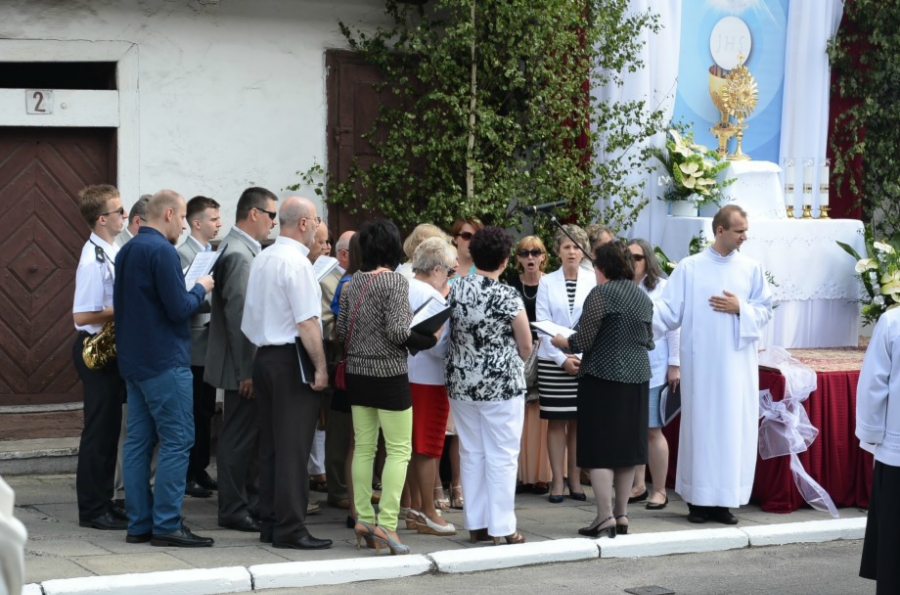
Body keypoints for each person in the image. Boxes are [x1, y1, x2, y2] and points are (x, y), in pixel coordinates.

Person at [653, 204, 773, 524]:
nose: (745, 236)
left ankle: (724, 502)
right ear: (720, 230)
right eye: (739, 231)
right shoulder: (690, 268)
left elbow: (765, 310)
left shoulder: (751, 268)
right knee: (702, 429)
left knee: (731, 430)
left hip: (736, 367)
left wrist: (740, 308)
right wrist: (639, 322)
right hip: (701, 366)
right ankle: (697, 501)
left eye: (746, 230)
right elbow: (667, 312)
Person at [114, 189, 215, 547]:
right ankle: (168, 524)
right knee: (178, 439)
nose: (185, 225)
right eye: (184, 217)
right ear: (169, 214)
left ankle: (139, 524)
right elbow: (178, 308)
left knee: (138, 443)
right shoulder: (162, 251)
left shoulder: (128, 249)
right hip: (164, 360)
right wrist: (200, 288)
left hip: (135, 361)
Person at [337, 219, 439, 555]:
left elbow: (341, 330)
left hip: (357, 374)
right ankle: (388, 525)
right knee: (399, 450)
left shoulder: (353, 281)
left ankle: (364, 520)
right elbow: (398, 332)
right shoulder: (394, 281)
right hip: (388, 374)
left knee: (364, 448)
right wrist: (429, 337)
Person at [241, 197, 333, 550]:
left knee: (271, 447)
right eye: (317, 220)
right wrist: (320, 367)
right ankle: (291, 527)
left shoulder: (263, 257)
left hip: (264, 356)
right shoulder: (297, 263)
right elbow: (307, 322)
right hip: (292, 358)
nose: (318, 226)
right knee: (293, 448)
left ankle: (271, 522)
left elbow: (250, 317)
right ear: (304, 223)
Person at [551, 241, 653, 538]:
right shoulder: (642, 296)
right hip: (637, 379)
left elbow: (582, 340)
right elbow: (649, 340)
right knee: (626, 451)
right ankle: (621, 515)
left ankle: (604, 516)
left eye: (595, 267)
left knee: (600, 450)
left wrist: (562, 342)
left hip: (602, 378)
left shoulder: (601, 294)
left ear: (603, 267)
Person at [446, 226, 532, 546]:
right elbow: (525, 345)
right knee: (503, 454)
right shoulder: (507, 295)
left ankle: (477, 524)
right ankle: (502, 526)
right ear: (505, 260)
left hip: (462, 382)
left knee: (472, 451)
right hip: (501, 384)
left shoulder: (454, 288)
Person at [205, 187, 278, 533]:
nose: (273, 223)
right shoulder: (238, 254)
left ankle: (247, 502)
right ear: (254, 214)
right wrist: (246, 371)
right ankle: (233, 508)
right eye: (271, 215)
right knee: (237, 438)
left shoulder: (241, 249)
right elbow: (240, 318)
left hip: (241, 363)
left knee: (247, 436)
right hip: (241, 366)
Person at [72, 184, 128, 531]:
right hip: (95, 350)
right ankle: (92, 510)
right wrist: (125, 308)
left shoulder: (111, 248)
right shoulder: (92, 261)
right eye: (119, 211)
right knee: (99, 433)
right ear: (102, 219)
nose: (125, 215)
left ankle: (105, 502)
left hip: (108, 350)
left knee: (109, 433)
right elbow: (82, 315)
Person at [535, 225, 595, 503]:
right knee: (557, 422)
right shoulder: (547, 282)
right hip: (552, 362)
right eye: (567, 246)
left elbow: (595, 322)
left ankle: (575, 480)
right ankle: (557, 481)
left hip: (585, 360)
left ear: (584, 251)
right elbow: (542, 325)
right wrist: (562, 359)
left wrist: (579, 356)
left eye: (576, 246)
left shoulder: (593, 280)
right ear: (558, 251)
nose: (572, 251)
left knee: (580, 423)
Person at [405, 237, 457, 536]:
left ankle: (414, 507)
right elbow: (439, 347)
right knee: (427, 446)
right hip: (429, 378)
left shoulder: (403, 285)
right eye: (449, 271)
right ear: (437, 269)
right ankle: (427, 510)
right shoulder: (434, 298)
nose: (449, 277)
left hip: (405, 375)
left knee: (411, 445)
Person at [627, 239, 680, 510]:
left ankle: (659, 490)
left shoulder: (662, 287)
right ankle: (637, 485)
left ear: (648, 260)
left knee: (652, 430)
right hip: (626, 367)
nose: (632, 262)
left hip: (655, 367)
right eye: (628, 257)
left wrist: (675, 364)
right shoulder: (622, 285)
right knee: (632, 429)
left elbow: (673, 327)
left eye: (637, 257)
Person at [177, 196, 222, 499]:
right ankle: (189, 472)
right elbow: (183, 297)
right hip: (193, 342)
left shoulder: (210, 253)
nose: (219, 224)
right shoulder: (183, 254)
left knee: (206, 409)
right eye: (213, 219)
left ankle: (201, 467)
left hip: (209, 343)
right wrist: (216, 298)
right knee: (193, 410)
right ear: (196, 223)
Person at [442, 217, 484, 510]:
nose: (471, 241)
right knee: (441, 424)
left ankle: (458, 484)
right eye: (467, 235)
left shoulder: (483, 270)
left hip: (473, 358)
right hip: (444, 352)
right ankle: (437, 484)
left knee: (463, 427)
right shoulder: (446, 269)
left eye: (476, 236)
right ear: (455, 238)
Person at [112, 193, 151, 504]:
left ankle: (132, 488)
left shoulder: (131, 248)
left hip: (134, 348)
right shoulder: (125, 250)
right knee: (127, 427)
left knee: (135, 428)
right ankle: (123, 489)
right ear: (139, 222)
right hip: (130, 347)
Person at [857, 306, 900, 594]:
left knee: (894, 538)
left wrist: (871, 434)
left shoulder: (893, 321)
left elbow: (874, 384)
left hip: (896, 453)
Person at [505, 235, 551, 495]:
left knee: (543, 414)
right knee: (519, 413)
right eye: (524, 253)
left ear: (543, 256)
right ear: (518, 258)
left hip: (546, 351)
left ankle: (542, 475)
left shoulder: (551, 283)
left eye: (535, 252)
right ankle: (522, 476)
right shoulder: (511, 284)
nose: (530, 257)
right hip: (518, 353)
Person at [323, 230, 356, 513]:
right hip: (339, 365)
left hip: (353, 365)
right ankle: (338, 488)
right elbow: (328, 327)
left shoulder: (354, 278)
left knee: (356, 433)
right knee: (340, 432)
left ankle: (354, 487)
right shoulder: (331, 280)